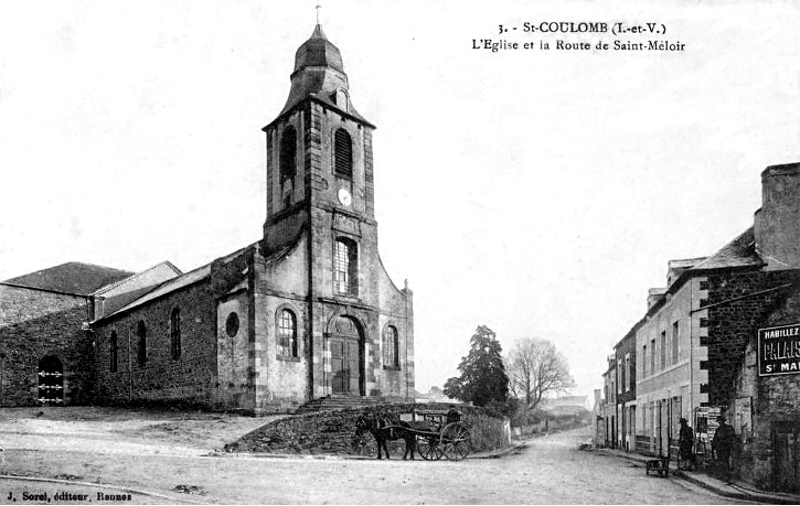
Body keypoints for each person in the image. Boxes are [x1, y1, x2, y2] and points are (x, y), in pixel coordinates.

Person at [712, 415, 736, 482]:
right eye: (719, 421)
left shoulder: (729, 428)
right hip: (719, 449)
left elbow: (732, 438)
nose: (720, 423)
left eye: (720, 421)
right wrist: (713, 447)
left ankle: (727, 476)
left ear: (723, 421)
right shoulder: (718, 430)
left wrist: (725, 442)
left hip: (726, 448)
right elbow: (715, 439)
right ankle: (722, 475)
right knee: (720, 461)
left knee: (725, 461)